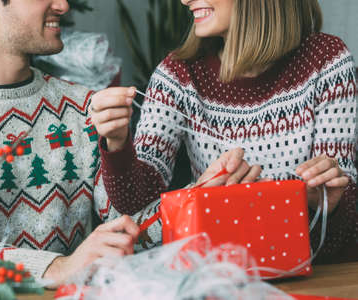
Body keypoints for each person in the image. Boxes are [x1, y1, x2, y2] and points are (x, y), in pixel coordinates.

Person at [0, 0, 162, 288]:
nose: (63, 6)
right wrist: (57, 267)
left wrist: (201, 191)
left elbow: (129, 233)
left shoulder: (83, 107)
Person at [91, 0, 357, 263]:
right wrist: (117, 143)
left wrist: (328, 205)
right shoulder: (177, 74)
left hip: (314, 274)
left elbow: (346, 221)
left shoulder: (327, 60)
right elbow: (135, 202)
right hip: (219, 276)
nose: (185, 0)